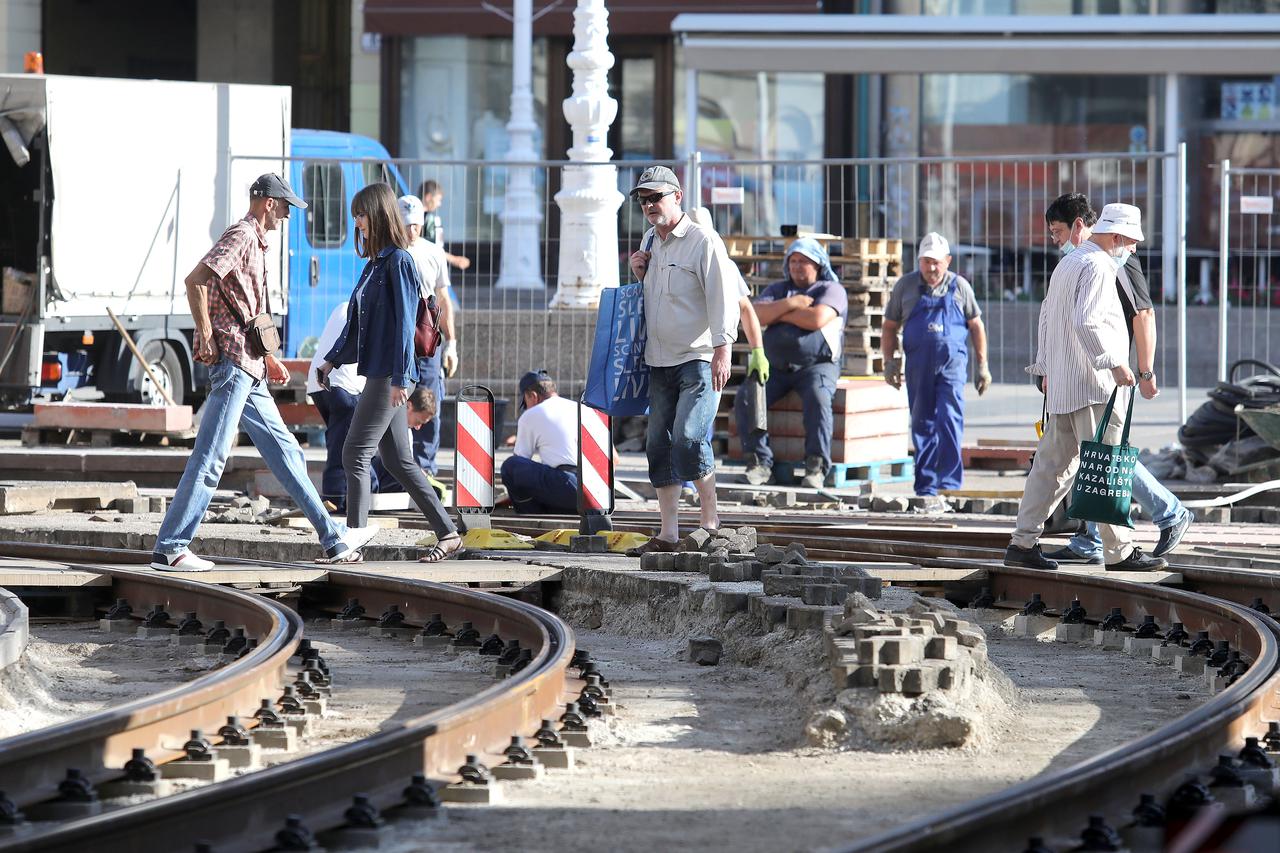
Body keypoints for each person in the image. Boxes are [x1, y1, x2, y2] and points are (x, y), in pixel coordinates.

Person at [150, 173, 377, 572]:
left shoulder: (256, 241)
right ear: (269, 203)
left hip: (250, 366)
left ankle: (333, 540)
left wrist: (268, 355)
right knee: (212, 455)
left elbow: (248, 305)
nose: (288, 216)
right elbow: (196, 280)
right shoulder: (241, 235)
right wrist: (206, 332)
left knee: (288, 453)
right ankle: (172, 545)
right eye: (286, 207)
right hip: (235, 365)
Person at [1004, 202, 1167, 572]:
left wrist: (1045, 366)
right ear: (1115, 235)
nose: (1134, 249)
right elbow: (1088, 321)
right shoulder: (1098, 266)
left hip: (1064, 386)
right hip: (1095, 386)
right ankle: (1120, 552)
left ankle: (1022, 542)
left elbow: (1047, 318)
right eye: (1130, 240)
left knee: (1050, 468)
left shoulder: (1069, 262)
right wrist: (1117, 363)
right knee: (1106, 464)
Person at [1039, 193, 1193, 563]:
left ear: (1080, 226)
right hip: (1082, 374)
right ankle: (1091, 539)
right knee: (1092, 456)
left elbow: (1144, 315)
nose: (1055, 241)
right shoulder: (1084, 261)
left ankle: (1167, 511)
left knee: (1104, 456)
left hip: (1106, 375)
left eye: (1058, 232)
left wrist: (1145, 370)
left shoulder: (1118, 260)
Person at [316, 182, 463, 564]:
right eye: (355, 216)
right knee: (399, 461)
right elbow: (357, 326)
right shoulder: (374, 265)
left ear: (378, 215)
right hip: (380, 373)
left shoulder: (399, 261)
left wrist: (401, 378)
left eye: (361, 215)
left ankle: (352, 538)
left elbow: (402, 325)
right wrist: (332, 360)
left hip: (390, 375)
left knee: (355, 452)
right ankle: (448, 533)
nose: (357, 223)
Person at [623, 166, 739, 553]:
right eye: (643, 200)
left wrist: (724, 348)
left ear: (678, 196)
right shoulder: (650, 241)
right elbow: (654, 298)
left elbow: (723, 296)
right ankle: (669, 533)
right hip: (659, 359)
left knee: (689, 438)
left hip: (698, 357)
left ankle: (710, 521)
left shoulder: (703, 240)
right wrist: (640, 274)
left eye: (655, 197)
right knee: (658, 445)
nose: (649, 205)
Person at [882, 232, 991, 507]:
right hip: (918, 367)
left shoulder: (960, 287)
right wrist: (889, 361)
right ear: (919, 261)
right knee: (922, 424)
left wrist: (983, 366)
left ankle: (950, 484)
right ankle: (926, 486)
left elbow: (976, 326)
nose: (931, 268)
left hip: (951, 367)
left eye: (937, 262)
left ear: (948, 261)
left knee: (950, 420)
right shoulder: (905, 287)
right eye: (926, 262)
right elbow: (889, 326)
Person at [734, 236, 848, 489]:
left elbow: (817, 318)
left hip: (817, 365)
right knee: (746, 397)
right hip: (776, 366)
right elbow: (756, 314)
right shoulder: (779, 289)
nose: (797, 266)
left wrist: (779, 313)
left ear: (818, 264)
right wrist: (791, 304)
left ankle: (816, 466)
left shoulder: (830, 290)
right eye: (793, 261)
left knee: (819, 399)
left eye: (804, 262)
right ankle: (760, 463)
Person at [371, 194, 458, 498]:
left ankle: (426, 467)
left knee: (429, 400)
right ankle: (397, 463)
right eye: (406, 225)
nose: (411, 232)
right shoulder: (388, 253)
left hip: (425, 337)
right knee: (395, 399)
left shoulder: (432, 253)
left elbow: (443, 298)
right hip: (399, 338)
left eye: (416, 226)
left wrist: (452, 342)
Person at [308, 300, 377, 509]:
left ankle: (338, 498)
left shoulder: (343, 306)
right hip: (345, 386)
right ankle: (337, 499)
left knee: (340, 442)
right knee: (348, 448)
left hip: (320, 384)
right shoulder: (372, 311)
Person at [500, 370, 581, 514]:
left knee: (511, 466)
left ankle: (531, 516)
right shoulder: (583, 409)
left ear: (533, 396)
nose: (527, 408)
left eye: (526, 402)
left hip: (568, 487)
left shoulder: (531, 414)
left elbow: (520, 460)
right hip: (595, 491)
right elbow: (614, 458)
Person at [419, 179, 471, 271]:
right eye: (438, 200)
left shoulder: (410, 216)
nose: (439, 204)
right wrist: (454, 259)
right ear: (428, 197)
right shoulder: (430, 220)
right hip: (428, 269)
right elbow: (432, 248)